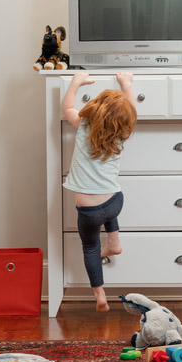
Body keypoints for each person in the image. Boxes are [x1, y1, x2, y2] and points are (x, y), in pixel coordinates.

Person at [62, 71, 137, 312]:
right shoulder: (122, 134)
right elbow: (132, 110)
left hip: (89, 211)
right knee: (108, 205)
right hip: (116, 201)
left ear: (95, 109)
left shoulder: (83, 127)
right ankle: (114, 240)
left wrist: (76, 82)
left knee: (91, 247)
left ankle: (100, 294)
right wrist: (127, 84)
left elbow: (67, 108)